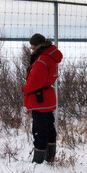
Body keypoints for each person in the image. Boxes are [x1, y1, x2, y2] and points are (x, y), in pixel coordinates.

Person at [23, 33, 62, 164]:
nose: (31, 48)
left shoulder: (41, 60)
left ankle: (38, 162)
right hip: (47, 97)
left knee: (39, 130)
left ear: (37, 45)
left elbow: (35, 82)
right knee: (49, 127)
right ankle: (50, 157)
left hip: (40, 99)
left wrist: (25, 89)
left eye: (32, 45)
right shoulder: (50, 57)